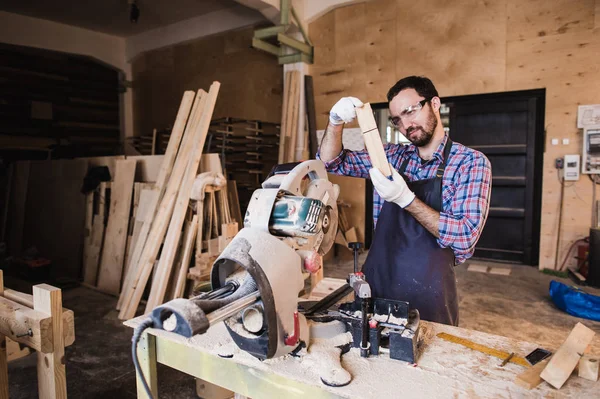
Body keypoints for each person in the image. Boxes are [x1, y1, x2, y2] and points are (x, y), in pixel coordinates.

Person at [317, 76, 492, 326]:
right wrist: (335, 122)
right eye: (397, 119)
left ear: (434, 103)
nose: (406, 124)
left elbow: (465, 236)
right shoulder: (390, 156)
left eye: (410, 111)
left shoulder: (470, 163)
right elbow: (330, 162)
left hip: (429, 293)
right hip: (378, 283)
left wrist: (405, 199)